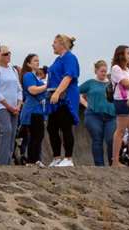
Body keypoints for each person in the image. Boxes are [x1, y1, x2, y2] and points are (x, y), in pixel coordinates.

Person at [44, 35, 80, 167]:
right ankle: (57, 157)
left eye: (54, 43)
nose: (52, 45)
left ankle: (69, 158)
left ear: (62, 44)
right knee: (52, 127)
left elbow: (69, 76)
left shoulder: (70, 57)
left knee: (65, 126)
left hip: (66, 96)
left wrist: (58, 92)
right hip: (54, 96)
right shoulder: (57, 59)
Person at [79, 61, 116, 167]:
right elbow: (76, 91)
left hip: (111, 116)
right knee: (97, 139)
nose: (104, 73)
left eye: (105, 71)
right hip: (93, 115)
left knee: (110, 139)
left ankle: (112, 163)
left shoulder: (111, 83)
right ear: (96, 71)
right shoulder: (90, 83)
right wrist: (85, 103)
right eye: (102, 71)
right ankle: (99, 166)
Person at [0, 47, 22, 165]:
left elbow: (19, 89)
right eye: (5, 54)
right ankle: (1, 162)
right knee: (6, 130)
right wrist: (8, 106)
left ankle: (8, 160)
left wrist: (18, 104)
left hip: (14, 106)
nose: (9, 55)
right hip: (1, 105)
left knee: (13, 133)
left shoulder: (13, 70)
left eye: (10, 53)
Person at [108, 45, 129, 168]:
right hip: (122, 100)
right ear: (121, 55)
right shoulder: (116, 68)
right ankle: (115, 160)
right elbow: (126, 84)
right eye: (128, 53)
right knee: (121, 130)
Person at [18, 52, 46, 165]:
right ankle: (31, 160)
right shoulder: (28, 75)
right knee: (35, 136)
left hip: (38, 110)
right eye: (35, 60)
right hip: (32, 110)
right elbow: (32, 90)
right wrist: (46, 86)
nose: (37, 62)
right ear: (28, 64)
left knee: (38, 136)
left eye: (38, 60)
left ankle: (36, 159)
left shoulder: (34, 76)